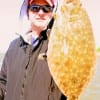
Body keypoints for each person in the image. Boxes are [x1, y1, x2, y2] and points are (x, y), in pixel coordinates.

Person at [0, 0, 67, 100]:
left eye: (46, 9)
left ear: (52, 13)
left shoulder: (62, 46)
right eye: (35, 8)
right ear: (27, 11)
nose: (40, 12)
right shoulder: (13, 46)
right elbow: (3, 81)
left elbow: (70, 85)